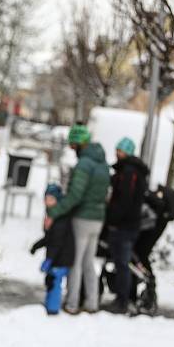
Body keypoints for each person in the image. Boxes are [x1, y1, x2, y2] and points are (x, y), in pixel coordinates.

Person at [46, 124, 110, 314]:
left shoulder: (84, 165)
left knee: (75, 262)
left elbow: (75, 195)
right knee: (89, 262)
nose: (72, 149)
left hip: (82, 218)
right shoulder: (103, 164)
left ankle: (72, 303)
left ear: (80, 143)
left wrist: (55, 212)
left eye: (73, 145)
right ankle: (92, 303)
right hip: (98, 219)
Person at [105, 137, 149, 314]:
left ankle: (122, 300)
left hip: (125, 225)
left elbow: (124, 199)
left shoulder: (129, 172)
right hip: (127, 223)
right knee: (122, 262)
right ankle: (123, 297)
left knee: (122, 263)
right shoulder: (130, 171)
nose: (117, 153)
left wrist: (113, 218)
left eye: (120, 150)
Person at [30, 184, 75, 315]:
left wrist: (49, 259)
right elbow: (49, 237)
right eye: (46, 198)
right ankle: (50, 305)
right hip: (56, 256)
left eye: (51, 199)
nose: (47, 202)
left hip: (62, 257)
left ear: (58, 200)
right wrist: (36, 246)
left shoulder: (61, 218)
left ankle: (53, 308)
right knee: (50, 280)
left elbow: (56, 241)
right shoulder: (52, 215)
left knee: (55, 281)